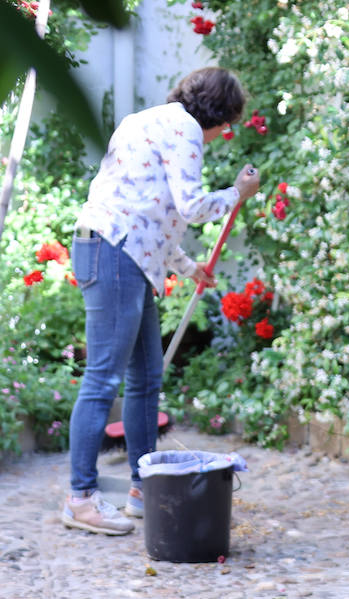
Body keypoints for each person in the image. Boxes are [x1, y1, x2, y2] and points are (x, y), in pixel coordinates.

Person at [61, 67, 262, 535]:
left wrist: (192, 270)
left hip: (119, 252)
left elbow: (154, 212)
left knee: (147, 377)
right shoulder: (187, 129)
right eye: (225, 125)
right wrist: (238, 193)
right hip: (115, 255)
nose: (220, 136)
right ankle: (81, 498)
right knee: (103, 378)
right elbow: (190, 206)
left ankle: (141, 487)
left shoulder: (145, 122)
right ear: (216, 114)